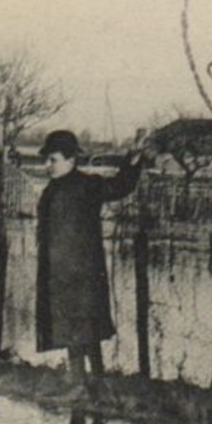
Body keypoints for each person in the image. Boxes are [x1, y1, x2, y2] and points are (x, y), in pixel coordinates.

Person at [34, 130, 144, 379]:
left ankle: (91, 381)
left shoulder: (88, 185)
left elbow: (120, 186)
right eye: (46, 160)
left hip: (82, 273)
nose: (46, 165)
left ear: (71, 160)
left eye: (52, 160)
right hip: (57, 274)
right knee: (73, 331)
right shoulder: (51, 190)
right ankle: (84, 384)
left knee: (85, 330)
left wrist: (133, 161)